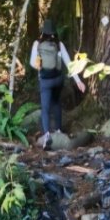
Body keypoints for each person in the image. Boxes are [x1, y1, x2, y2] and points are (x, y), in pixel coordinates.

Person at [30, 19, 85, 150]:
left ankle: (47, 136)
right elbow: (68, 62)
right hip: (58, 80)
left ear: (43, 31)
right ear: (54, 31)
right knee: (56, 103)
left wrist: (39, 65)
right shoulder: (59, 44)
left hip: (45, 80)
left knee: (45, 108)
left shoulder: (37, 44)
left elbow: (32, 63)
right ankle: (59, 131)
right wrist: (78, 81)